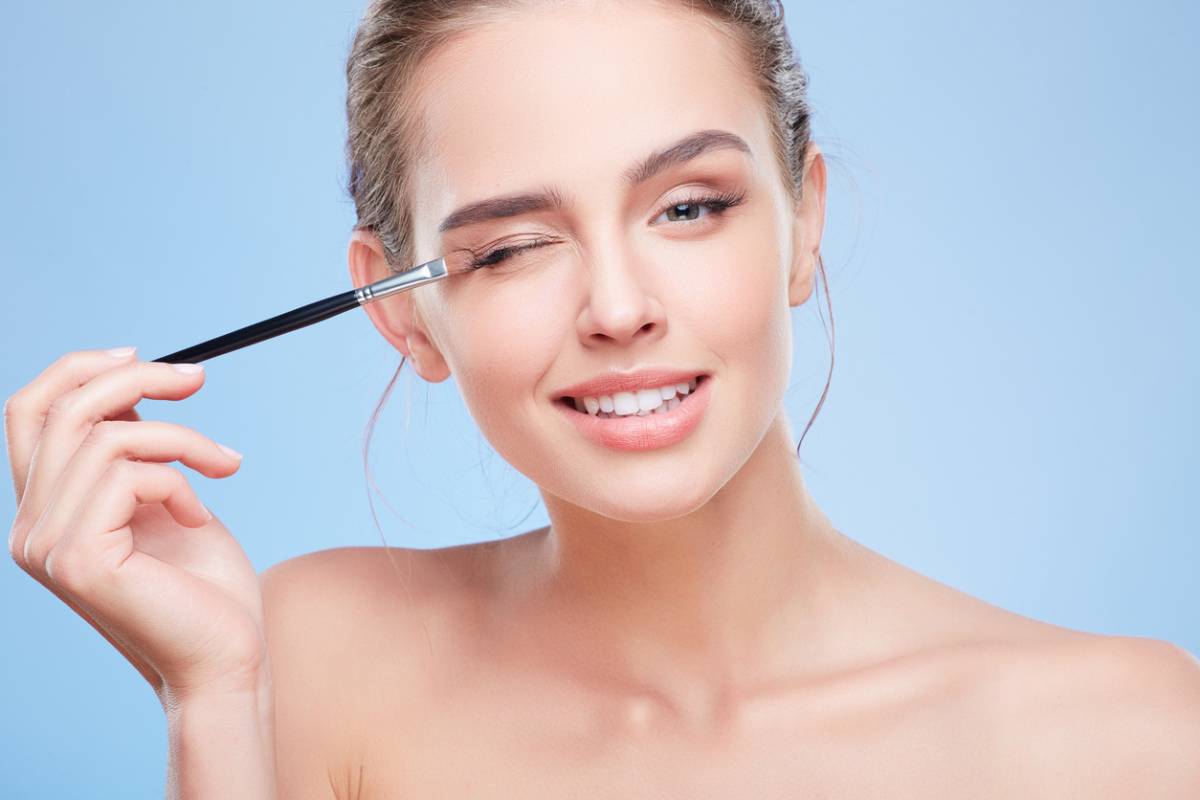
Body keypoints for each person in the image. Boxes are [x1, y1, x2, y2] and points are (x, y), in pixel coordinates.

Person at [6, 0, 1199, 797]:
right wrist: (210, 702)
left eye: (689, 206)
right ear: (400, 305)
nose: (617, 307)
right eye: (515, 244)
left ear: (804, 221)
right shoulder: (310, 657)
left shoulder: (1126, 736)